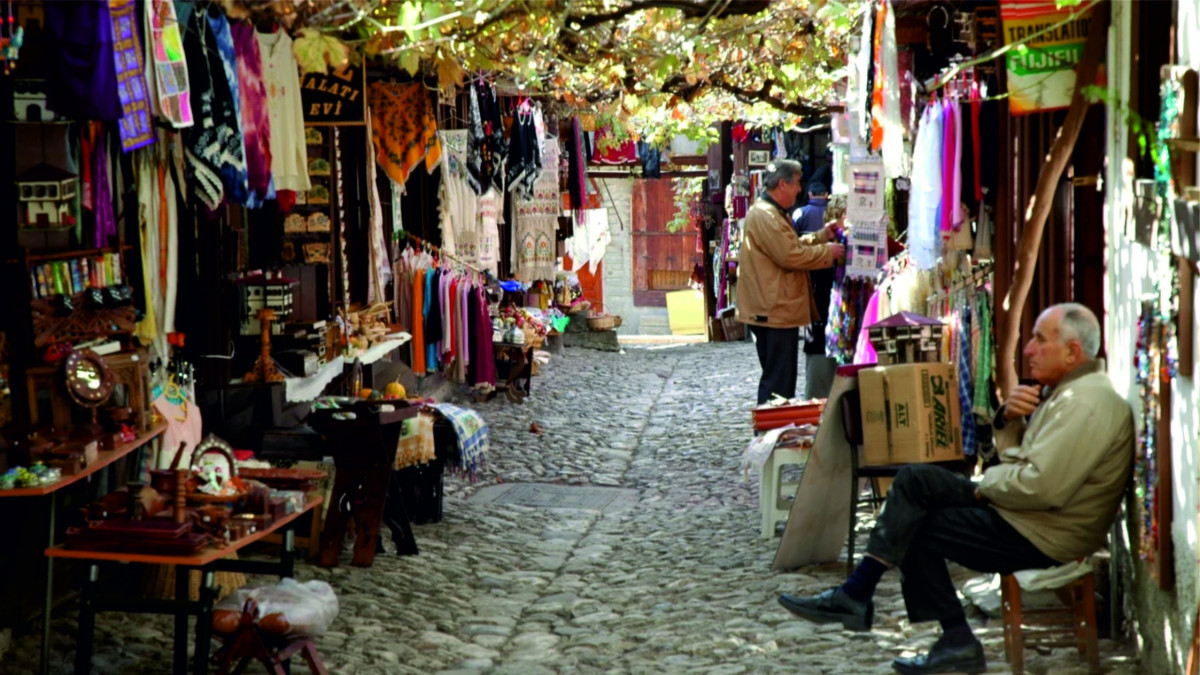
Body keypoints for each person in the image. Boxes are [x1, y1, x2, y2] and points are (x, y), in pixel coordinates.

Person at [778, 303, 1134, 675]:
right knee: (915, 481)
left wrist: (985, 489)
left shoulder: (1085, 403)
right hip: (1028, 515)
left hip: (1044, 533)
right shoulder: (1068, 393)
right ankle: (861, 596)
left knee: (914, 525)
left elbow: (1041, 488)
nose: (1028, 349)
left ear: (1073, 351)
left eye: (1039, 340)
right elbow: (1021, 464)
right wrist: (1008, 420)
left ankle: (938, 631)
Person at [736, 160, 845, 405]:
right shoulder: (766, 215)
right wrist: (829, 252)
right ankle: (769, 436)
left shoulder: (771, 213)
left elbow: (790, 246)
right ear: (782, 184)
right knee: (778, 384)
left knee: (779, 380)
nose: (799, 189)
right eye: (796, 183)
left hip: (774, 308)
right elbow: (790, 256)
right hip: (772, 310)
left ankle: (773, 433)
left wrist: (820, 237)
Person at [792, 187, 840, 399]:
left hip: (821, 327)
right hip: (821, 328)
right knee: (820, 389)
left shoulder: (800, 214)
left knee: (820, 389)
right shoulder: (824, 252)